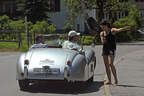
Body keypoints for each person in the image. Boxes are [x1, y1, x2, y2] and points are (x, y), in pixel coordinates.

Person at [100, 21, 131, 86]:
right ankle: (109, 80)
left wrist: (124, 28)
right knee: (106, 66)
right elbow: (103, 42)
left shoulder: (112, 30)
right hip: (105, 50)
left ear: (106, 25)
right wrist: (102, 38)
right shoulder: (101, 33)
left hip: (111, 49)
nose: (102, 28)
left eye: (103, 26)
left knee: (111, 64)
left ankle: (116, 80)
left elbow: (119, 30)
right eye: (101, 27)